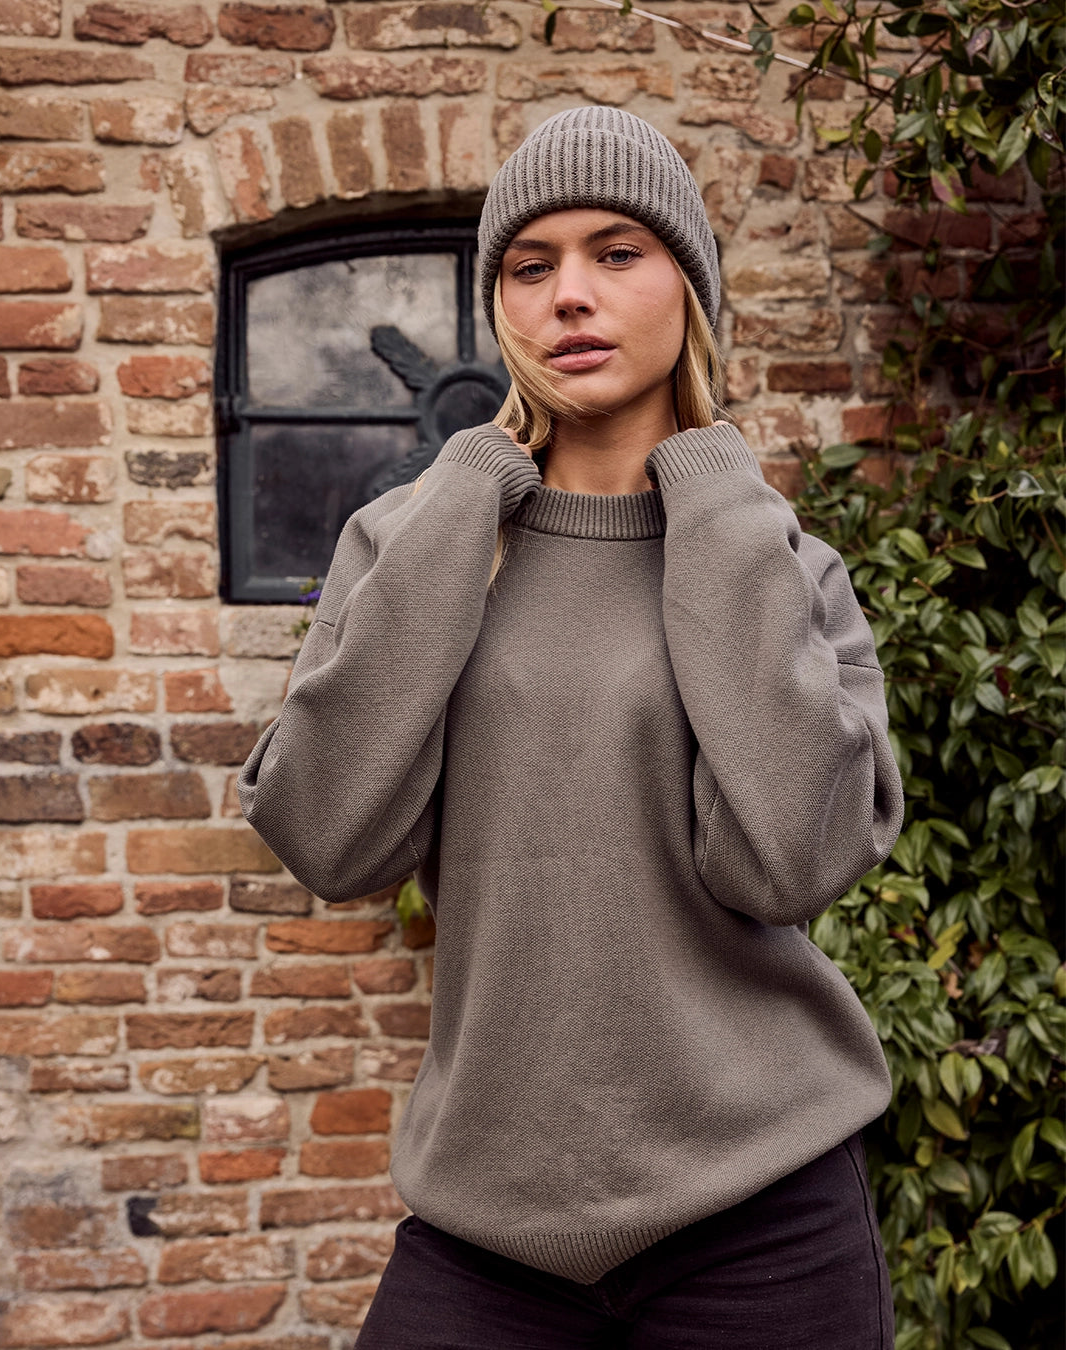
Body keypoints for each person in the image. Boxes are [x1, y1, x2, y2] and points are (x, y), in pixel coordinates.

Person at [237, 105, 905, 1349]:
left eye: (617, 252)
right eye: (530, 267)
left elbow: (792, 863)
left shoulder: (785, 566)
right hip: (486, 1233)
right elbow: (328, 838)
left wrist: (713, 491)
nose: (570, 296)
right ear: (499, 307)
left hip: (763, 1218)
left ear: (688, 284)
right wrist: (467, 490)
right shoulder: (409, 539)